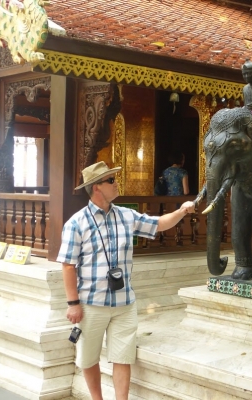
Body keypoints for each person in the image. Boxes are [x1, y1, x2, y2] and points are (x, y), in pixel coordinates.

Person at [57, 161, 195, 400]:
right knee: (89, 358)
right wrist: (73, 304)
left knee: (123, 356)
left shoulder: (126, 215)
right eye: (111, 180)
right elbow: (68, 265)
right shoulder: (76, 223)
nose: (116, 183)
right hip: (91, 303)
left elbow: (159, 224)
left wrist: (182, 211)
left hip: (124, 303)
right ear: (96, 187)